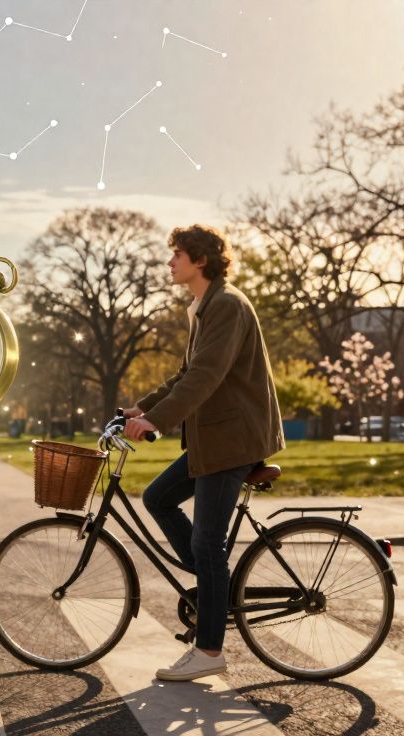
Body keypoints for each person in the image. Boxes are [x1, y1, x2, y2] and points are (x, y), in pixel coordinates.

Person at [120, 224, 284, 682]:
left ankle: (209, 649)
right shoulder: (205, 307)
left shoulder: (227, 306)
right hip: (216, 439)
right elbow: (185, 374)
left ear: (201, 261)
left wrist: (156, 423)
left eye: (177, 255)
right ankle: (214, 587)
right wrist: (141, 408)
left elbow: (205, 377)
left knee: (207, 545)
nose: (170, 263)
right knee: (157, 498)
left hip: (234, 439)